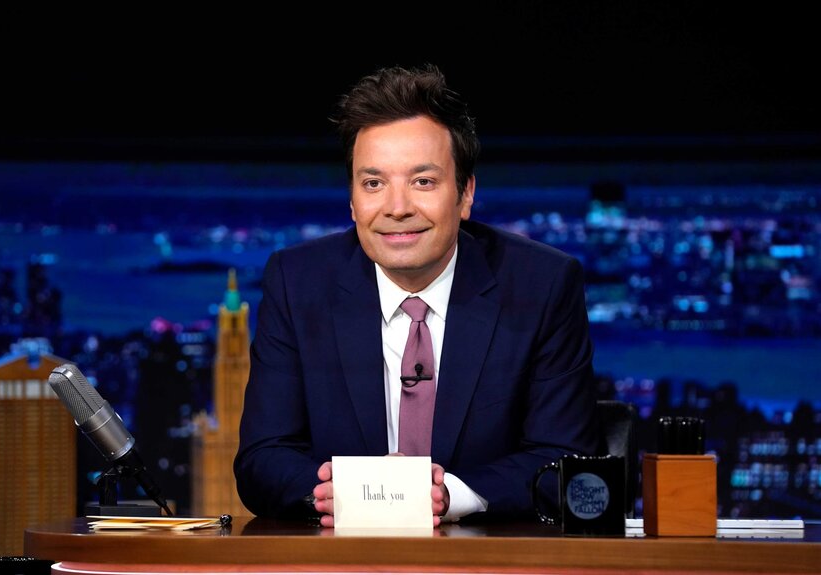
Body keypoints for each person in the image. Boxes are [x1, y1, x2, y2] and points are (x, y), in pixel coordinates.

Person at [234, 63, 598, 526]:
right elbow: (262, 458)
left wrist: (452, 495)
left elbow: (566, 459)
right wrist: (328, 492)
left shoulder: (542, 285)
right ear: (352, 200)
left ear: (465, 194)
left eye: (422, 182)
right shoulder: (297, 281)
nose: (397, 207)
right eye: (373, 183)